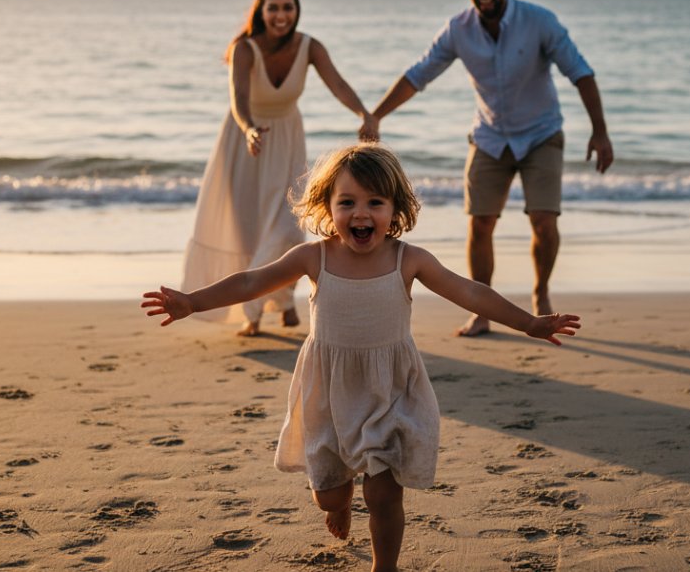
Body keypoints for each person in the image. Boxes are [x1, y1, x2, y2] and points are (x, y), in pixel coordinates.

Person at [144, 143, 581, 572]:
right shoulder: (313, 257)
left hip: (389, 390)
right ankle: (341, 503)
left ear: (396, 210)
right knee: (329, 495)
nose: (361, 213)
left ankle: (383, 566)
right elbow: (250, 282)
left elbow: (469, 290)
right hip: (329, 393)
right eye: (347, 202)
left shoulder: (409, 260)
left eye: (375, 202)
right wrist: (193, 302)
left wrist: (528, 322)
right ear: (327, 207)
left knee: (386, 494)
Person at [359, 0, 614, 338]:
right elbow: (419, 74)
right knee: (480, 224)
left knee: (543, 222)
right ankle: (482, 312)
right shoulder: (458, 29)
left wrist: (600, 131)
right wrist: (377, 115)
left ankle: (541, 295)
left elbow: (581, 73)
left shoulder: (540, 22)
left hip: (541, 134)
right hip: (490, 137)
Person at [183, 0, 375, 337]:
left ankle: (269, 305)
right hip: (246, 142)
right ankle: (269, 308)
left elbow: (338, 83)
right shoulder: (244, 48)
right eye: (273, 8)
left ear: (296, 11)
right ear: (261, 11)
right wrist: (250, 129)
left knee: (288, 226)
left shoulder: (310, 47)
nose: (281, 15)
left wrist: (364, 114)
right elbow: (238, 99)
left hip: (287, 140)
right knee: (249, 228)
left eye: (288, 7)